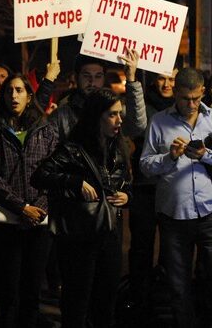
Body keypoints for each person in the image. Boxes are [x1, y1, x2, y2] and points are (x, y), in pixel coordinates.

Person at [32, 88, 132, 328]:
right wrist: (75, 182)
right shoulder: (74, 149)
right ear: (96, 116)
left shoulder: (118, 148)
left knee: (106, 302)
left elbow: (125, 182)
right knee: (77, 303)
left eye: (120, 114)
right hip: (80, 236)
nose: (119, 120)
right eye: (112, 114)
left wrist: (126, 195)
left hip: (109, 233)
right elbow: (41, 175)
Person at [0, 73, 58, 328]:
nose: (13, 95)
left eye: (19, 90)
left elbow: (55, 172)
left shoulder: (45, 130)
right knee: (8, 291)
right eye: (9, 90)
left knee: (32, 291)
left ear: (29, 96)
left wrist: (40, 209)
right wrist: (21, 207)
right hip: (7, 222)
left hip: (38, 224)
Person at [139, 68, 212, 328]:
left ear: (203, 91)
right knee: (177, 283)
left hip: (208, 214)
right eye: (185, 99)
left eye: (195, 98)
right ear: (176, 95)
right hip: (174, 215)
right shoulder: (159, 121)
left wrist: (204, 156)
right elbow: (145, 165)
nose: (190, 104)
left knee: (209, 279)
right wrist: (169, 156)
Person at [128, 71, 175, 313]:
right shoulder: (144, 105)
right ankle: (139, 300)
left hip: (172, 189)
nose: (166, 84)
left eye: (172, 79)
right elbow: (137, 129)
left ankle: (164, 301)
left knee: (171, 250)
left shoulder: (185, 109)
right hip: (146, 188)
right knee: (141, 248)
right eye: (162, 78)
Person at [50, 49, 146, 141]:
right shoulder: (63, 114)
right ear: (76, 77)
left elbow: (137, 127)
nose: (92, 83)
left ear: (104, 78)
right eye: (86, 76)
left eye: (98, 76)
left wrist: (131, 78)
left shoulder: (114, 107)